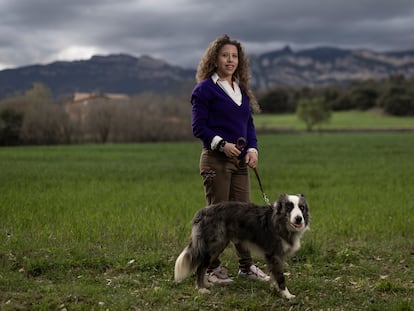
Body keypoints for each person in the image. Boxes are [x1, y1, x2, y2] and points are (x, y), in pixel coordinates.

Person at [190, 34, 270, 284]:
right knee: (218, 218)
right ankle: (211, 269)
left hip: (239, 165)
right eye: (225, 55)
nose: (230, 60)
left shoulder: (241, 90)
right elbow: (198, 127)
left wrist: (253, 150)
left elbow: (249, 125)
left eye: (234, 56)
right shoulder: (204, 89)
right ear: (214, 58)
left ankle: (246, 267)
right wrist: (222, 145)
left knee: (244, 217)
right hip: (215, 161)